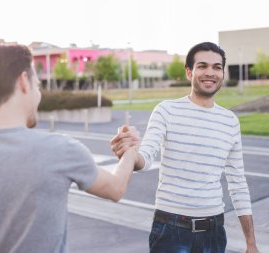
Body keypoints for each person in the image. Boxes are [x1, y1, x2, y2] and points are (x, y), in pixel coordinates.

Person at [0, 44, 138, 253]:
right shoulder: (62, 150)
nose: (39, 94)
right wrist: (130, 150)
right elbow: (115, 188)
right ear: (24, 81)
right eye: (37, 85)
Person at [111, 42, 259, 253]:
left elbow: (238, 183)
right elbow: (145, 158)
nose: (210, 72)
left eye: (217, 67)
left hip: (214, 233)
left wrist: (251, 242)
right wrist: (130, 153)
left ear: (222, 74)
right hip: (171, 230)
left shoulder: (230, 121)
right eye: (202, 66)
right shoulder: (166, 110)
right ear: (189, 72)